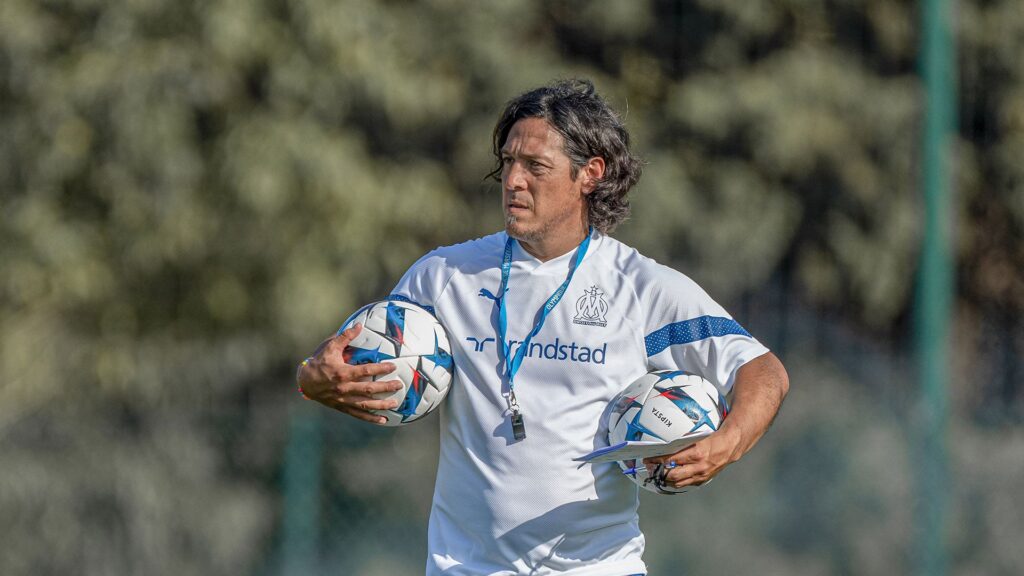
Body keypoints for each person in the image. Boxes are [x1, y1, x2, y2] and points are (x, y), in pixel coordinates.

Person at [297, 79, 790, 576]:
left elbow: (762, 370)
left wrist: (726, 444)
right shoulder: (444, 277)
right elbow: (353, 353)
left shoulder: (641, 288)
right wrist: (312, 379)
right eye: (508, 162)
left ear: (590, 174)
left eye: (535, 166)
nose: (513, 180)